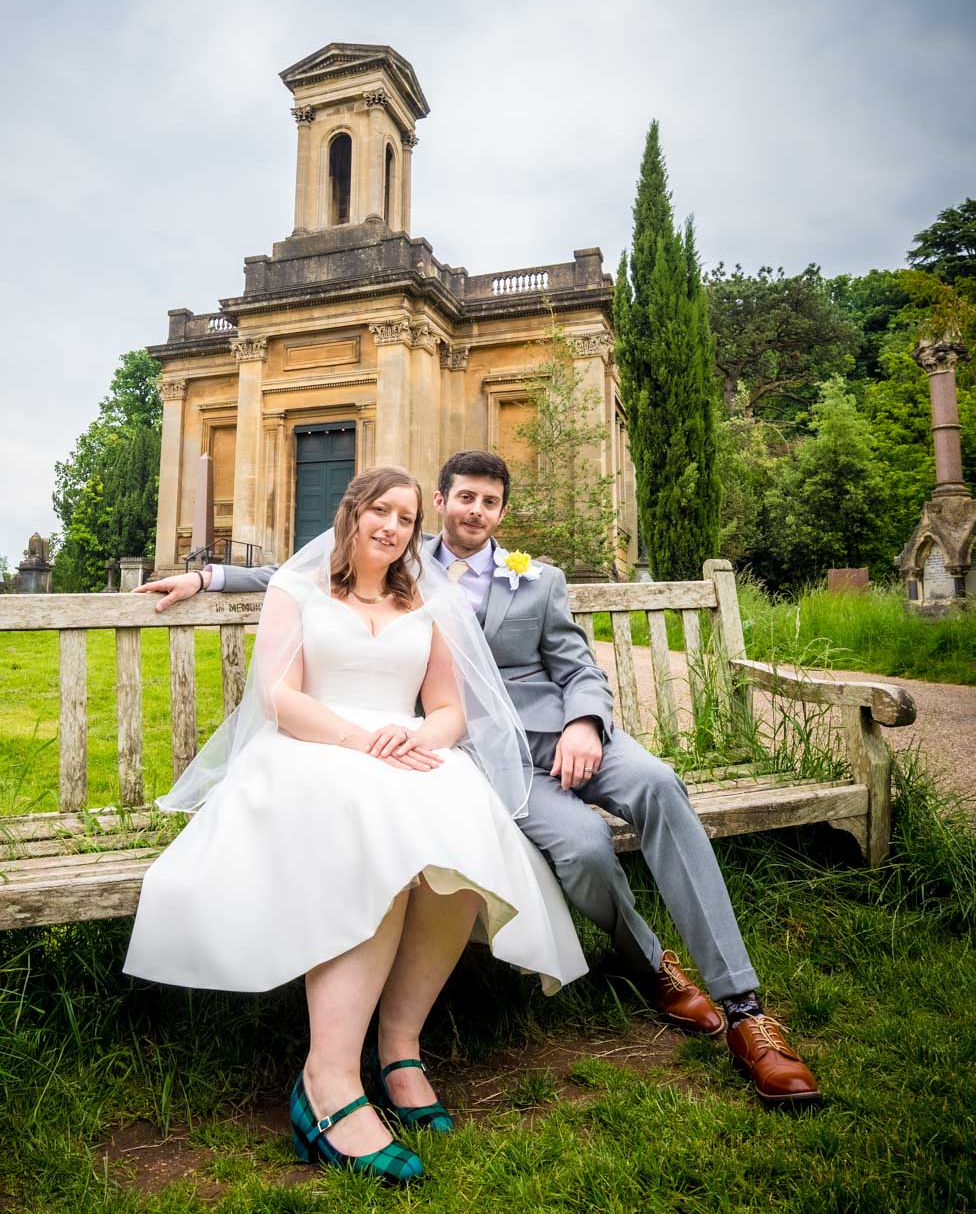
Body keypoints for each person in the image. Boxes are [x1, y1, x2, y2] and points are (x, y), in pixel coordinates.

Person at [142, 450, 821, 1110]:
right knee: (583, 849)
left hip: (565, 733)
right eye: (463, 496)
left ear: (500, 512)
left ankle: (744, 1006)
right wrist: (208, 578)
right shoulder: (404, 559)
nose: (475, 509)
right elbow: (309, 576)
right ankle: (648, 963)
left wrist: (586, 721)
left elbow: (576, 662)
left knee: (659, 785)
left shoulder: (537, 577)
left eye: (490, 501)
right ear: (440, 504)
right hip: (486, 757)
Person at [125, 466, 586, 1185]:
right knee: (379, 838)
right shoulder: (298, 590)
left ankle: (400, 1049)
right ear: (352, 514)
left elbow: (448, 711)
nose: (392, 527)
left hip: (404, 751)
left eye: (405, 518)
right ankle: (329, 1079)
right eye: (380, 511)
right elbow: (279, 695)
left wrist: (423, 742)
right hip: (315, 749)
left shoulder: (426, 600)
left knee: (462, 837)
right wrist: (356, 740)